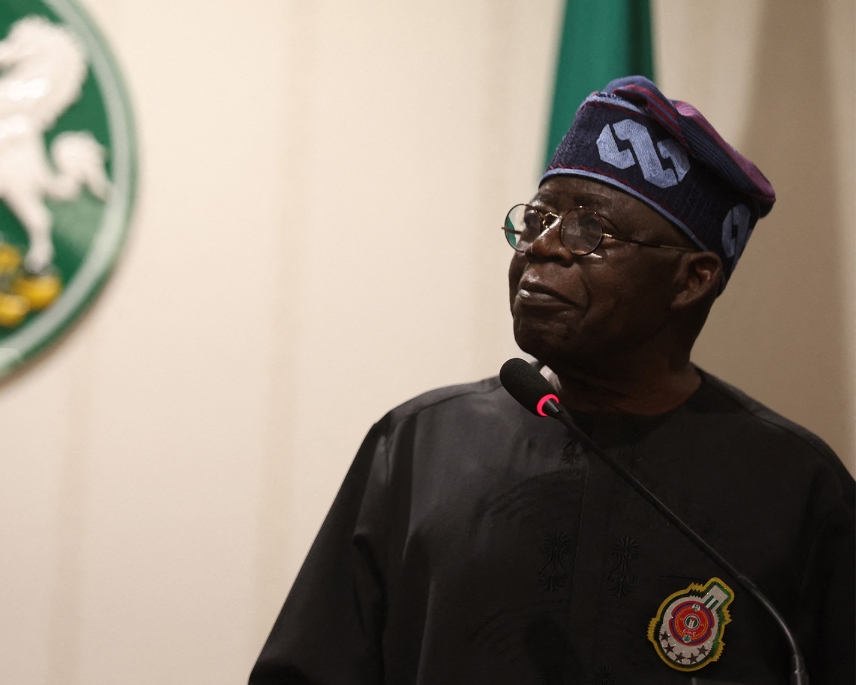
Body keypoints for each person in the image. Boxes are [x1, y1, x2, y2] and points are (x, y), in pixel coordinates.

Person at [249, 77, 855, 685]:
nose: (540, 248)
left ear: (690, 280)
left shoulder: (795, 487)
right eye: (538, 219)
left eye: (588, 232)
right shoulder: (420, 446)